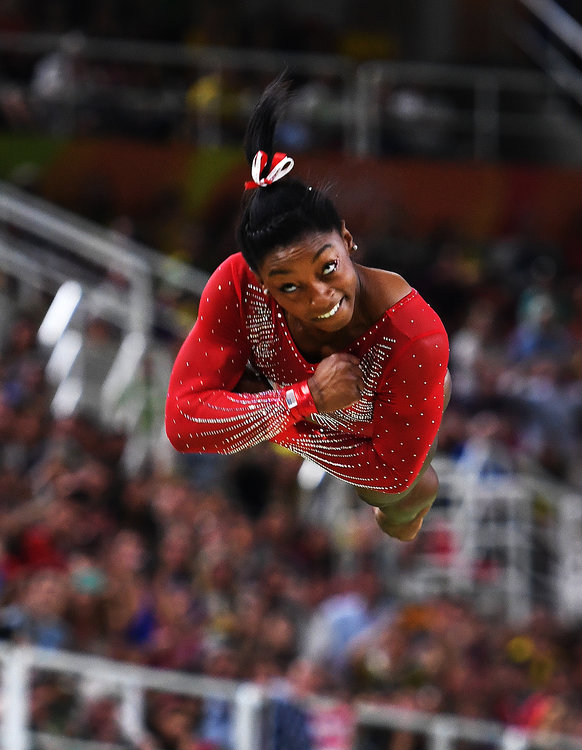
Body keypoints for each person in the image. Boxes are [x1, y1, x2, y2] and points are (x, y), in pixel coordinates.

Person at [166, 74, 450, 545]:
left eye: (328, 267)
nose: (318, 295)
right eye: (289, 286)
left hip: (399, 412)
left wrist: (265, 411)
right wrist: (306, 400)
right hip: (332, 423)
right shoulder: (237, 285)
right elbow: (182, 424)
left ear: (347, 237)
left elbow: (390, 475)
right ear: (261, 281)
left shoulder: (414, 335)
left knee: (405, 498)